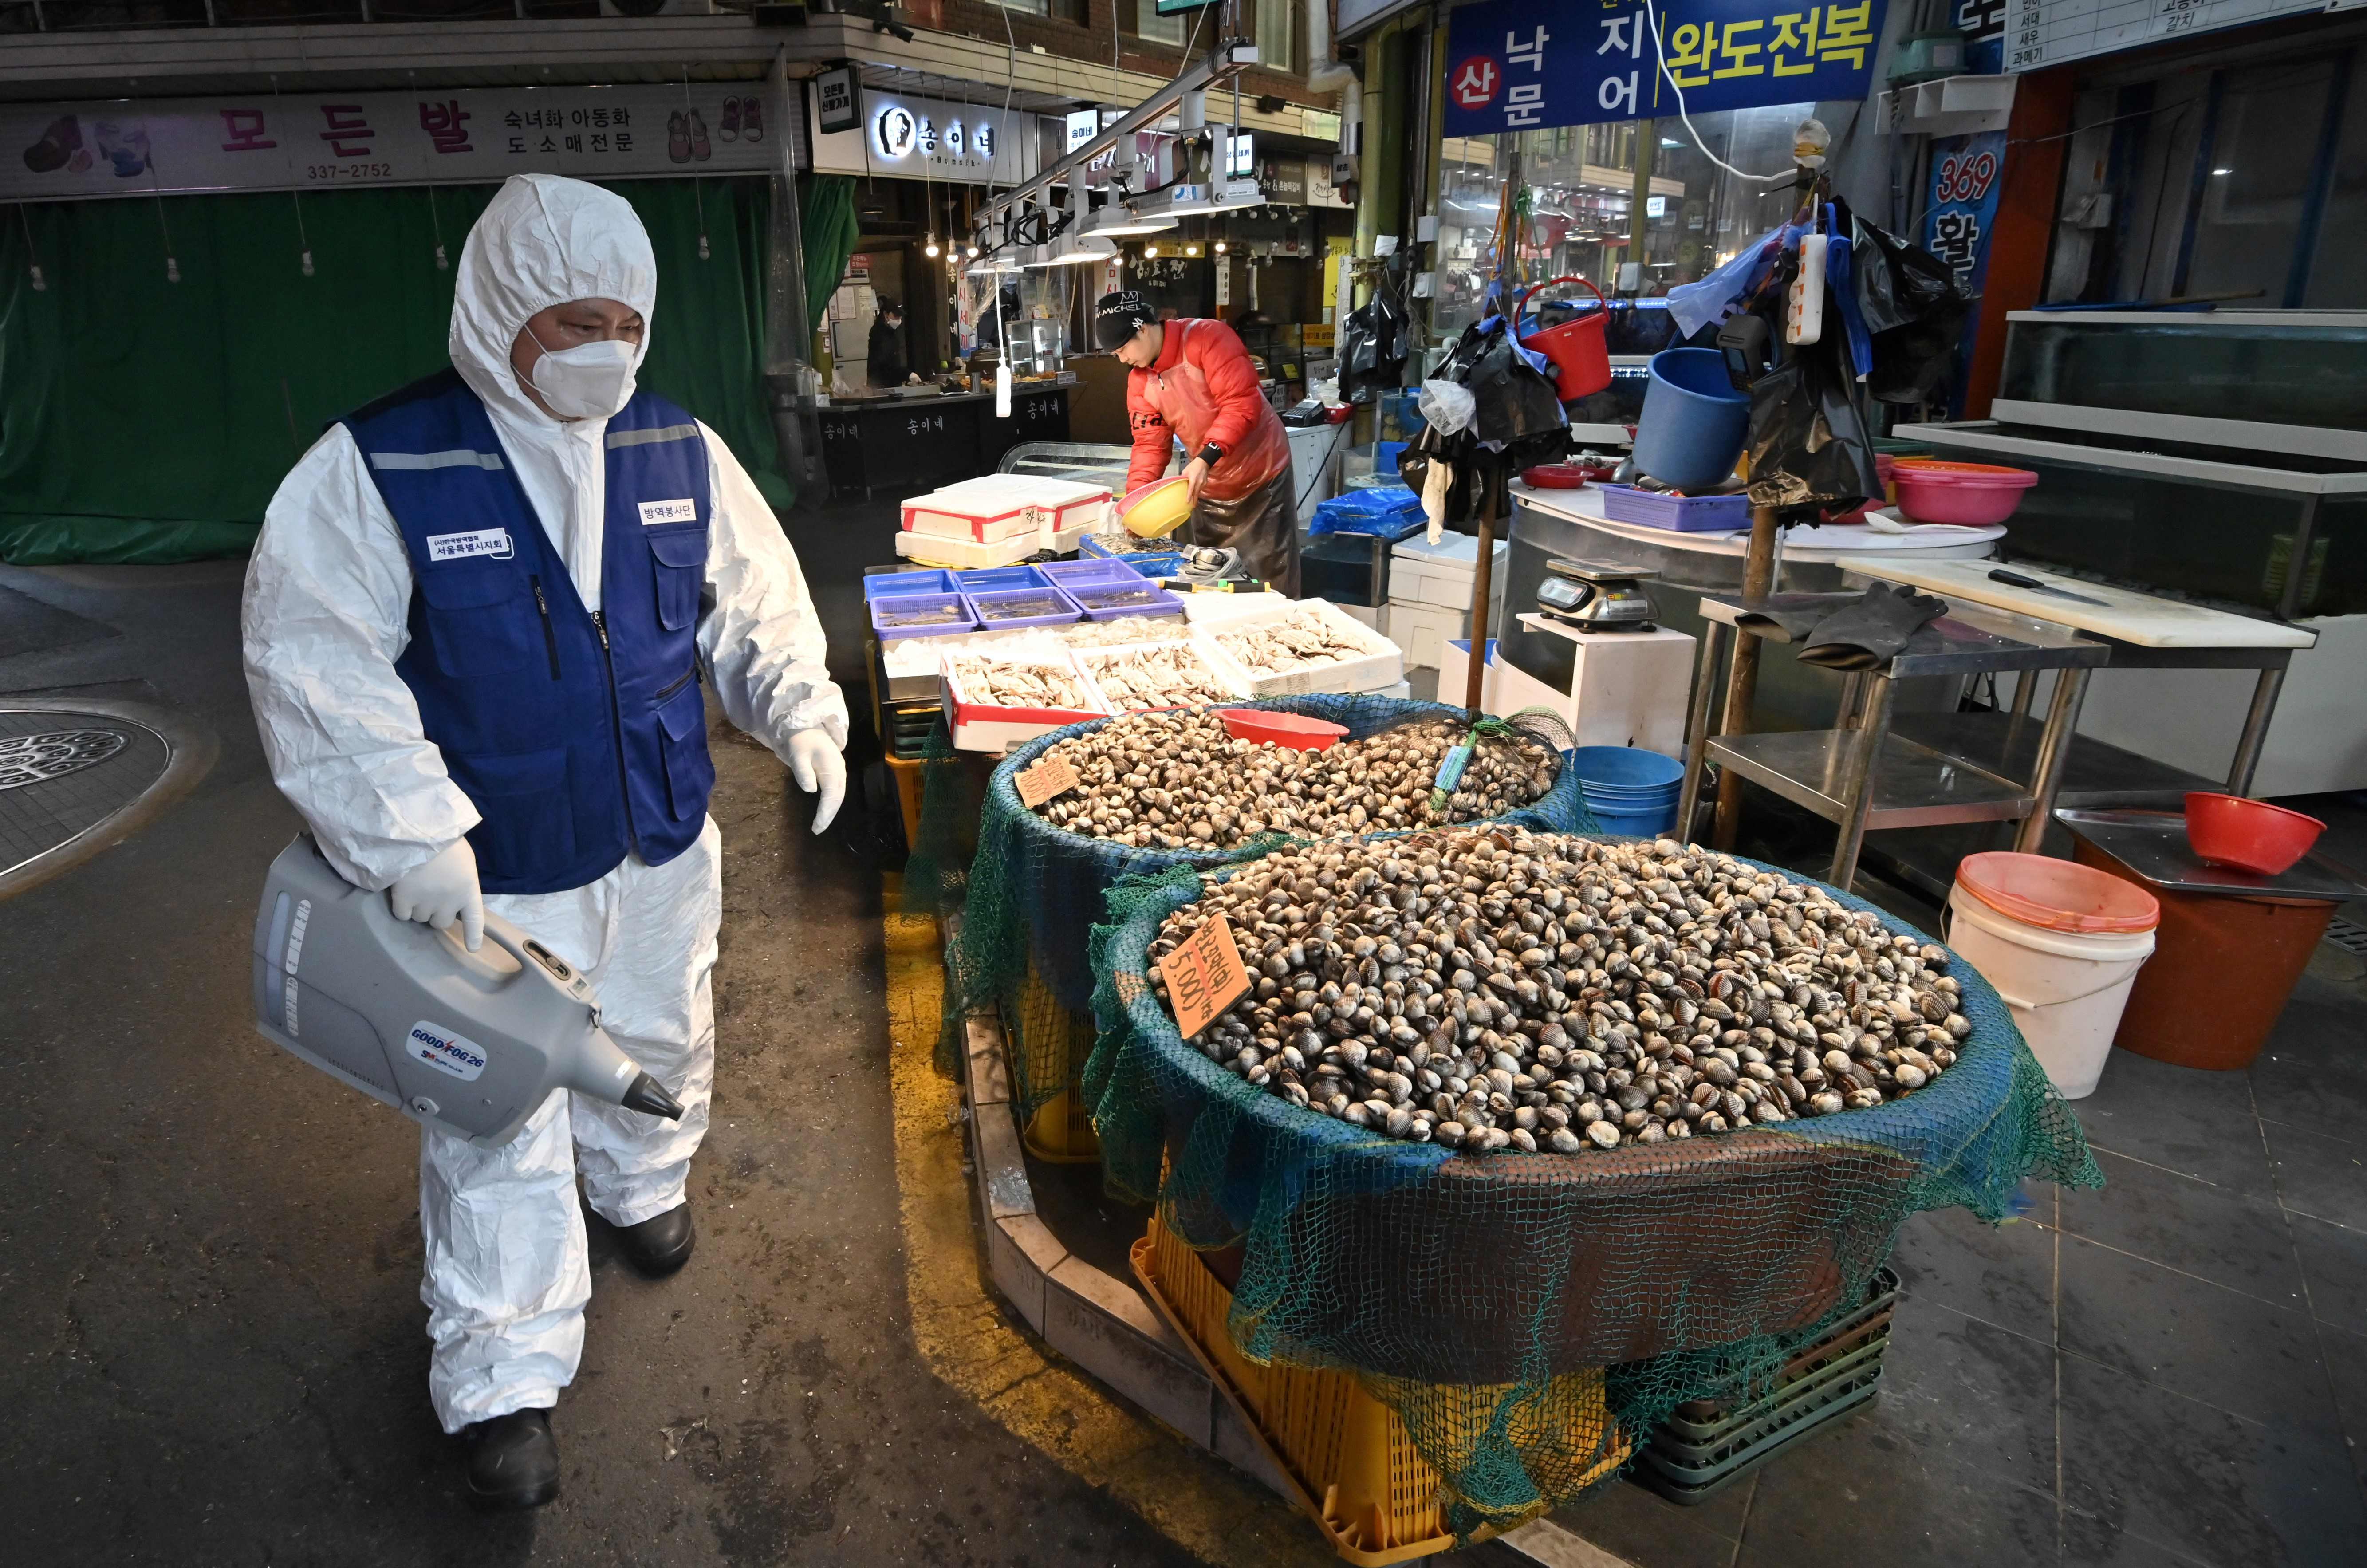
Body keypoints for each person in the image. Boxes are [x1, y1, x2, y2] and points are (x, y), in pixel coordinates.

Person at [241, 174, 848, 1510]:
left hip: (658, 835)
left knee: (665, 1030)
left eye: (628, 326)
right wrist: (409, 833)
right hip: (496, 877)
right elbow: (313, 659)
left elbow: (753, 605)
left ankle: (639, 1182)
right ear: (500, 306)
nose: (607, 355)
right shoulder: (383, 466)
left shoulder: (676, 447)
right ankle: (502, 1369)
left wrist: (801, 710)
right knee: (495, 1112)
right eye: (577, 323)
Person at [1098, 289, 1300, 595]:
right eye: (1116, 355)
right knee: (1212, 578)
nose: (1123, 359)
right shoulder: (1139, 381)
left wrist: (1206, 457)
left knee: (1267, 580)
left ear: (1143, 329)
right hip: (1206, 484)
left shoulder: (1208, 338)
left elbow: (1241, 404)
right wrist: (1136, 503)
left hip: (1261, 474)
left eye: (1123, 349)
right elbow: (1150, 445)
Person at [868, 297, 909, 387]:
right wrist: (907, 374)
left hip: (892, 385)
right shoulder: (879, 334)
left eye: (900, 317)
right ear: (886, 314)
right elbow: (885, 364)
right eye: (895, 316)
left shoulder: (892, 332)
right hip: (881, 386)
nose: (898, 320)